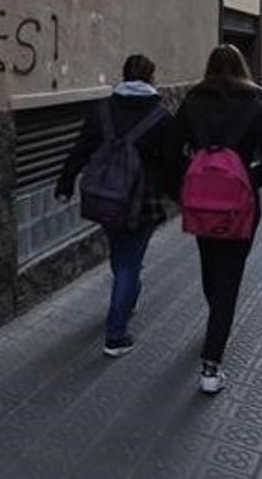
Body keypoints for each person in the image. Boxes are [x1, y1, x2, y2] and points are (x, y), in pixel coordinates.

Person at [174, 44, 262, 394]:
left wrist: (194, 176)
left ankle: (216, 323)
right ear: (242, 66)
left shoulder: (193, 100)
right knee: (230, 276)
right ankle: (211, 364)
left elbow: (169, 149)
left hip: (202, 203)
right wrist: (247, 180)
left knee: (210, 267)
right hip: (241, 204)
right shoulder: (257, 103)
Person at [56, 55, 176, 358]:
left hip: (106, 197)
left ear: (123, 75)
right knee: (129, 263)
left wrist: (65, 182)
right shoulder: (161, 116)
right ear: (151, 78)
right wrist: (178, 192)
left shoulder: (102, 111)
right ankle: (116, 334)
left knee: (121, 255)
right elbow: (173, 161)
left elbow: (81, 148)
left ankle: (128, 297)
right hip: (143, 201)